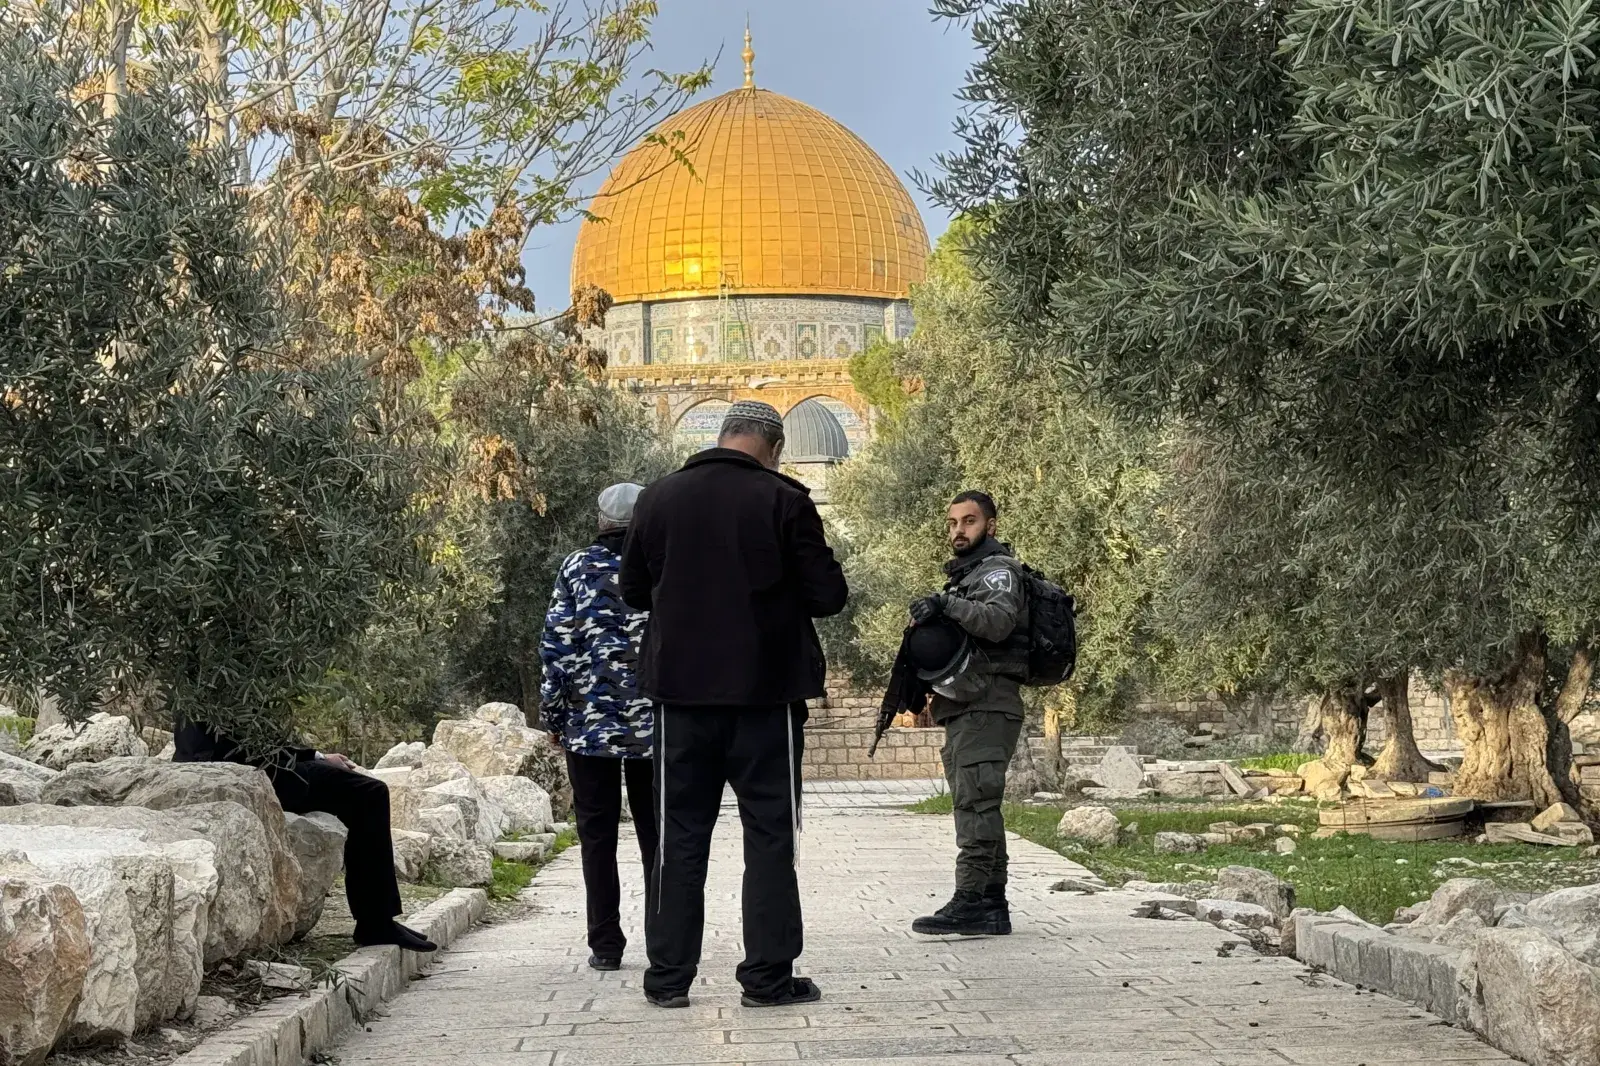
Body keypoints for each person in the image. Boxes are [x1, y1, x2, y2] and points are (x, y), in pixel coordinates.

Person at [620, 400, 848, 1010]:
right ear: (772, 447)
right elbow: (829, 596)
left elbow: (634, 590)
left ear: (722, 437)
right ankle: (768, 979)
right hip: (764, 699)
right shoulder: (784, 500)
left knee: (679, 840)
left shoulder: (659, 498)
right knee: (770, 838)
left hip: (680, 699)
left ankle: (668, 980)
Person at [172, 720, 436, 952]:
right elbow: (247, 739)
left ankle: (376, 920)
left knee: (361, 790)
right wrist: (315, 756)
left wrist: (314, 756)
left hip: (237, 762)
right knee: (370, 794)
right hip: (251, 769)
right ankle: (375, 923)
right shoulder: (226, 677)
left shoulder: (200, 675)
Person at [538, 481, 658, 972]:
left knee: (597, 835)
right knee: (661, 836)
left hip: (589, 727)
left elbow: (558, 646)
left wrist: (552, 715)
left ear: (601, 521)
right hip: (658, 728)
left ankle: (605, 945)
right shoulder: (663, 564)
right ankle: (664, 940)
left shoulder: (576, 567)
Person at [907, 490, 1028, 937]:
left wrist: (946, 606)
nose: (959, 530)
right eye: (953, 522)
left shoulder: (998, 572)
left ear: (990, 526)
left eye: (969, 521)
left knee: (974, 805)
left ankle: (970, 899)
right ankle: (992, 904)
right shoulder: (968, 574)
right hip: (968, 706)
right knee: (980, 803)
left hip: (988, 704)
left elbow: (997, 622)